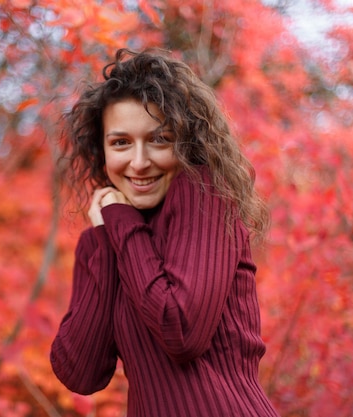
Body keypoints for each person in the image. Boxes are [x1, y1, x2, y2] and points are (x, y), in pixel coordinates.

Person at [50, 48, 279, 417]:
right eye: (121, 142)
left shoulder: (205, 194)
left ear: (186, 143)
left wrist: (119, 221)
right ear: (102, 150)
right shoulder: (102, 238)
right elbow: (80, 373)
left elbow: (181, 329)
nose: (139, 163)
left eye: (159, 139)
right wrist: (109, 240)